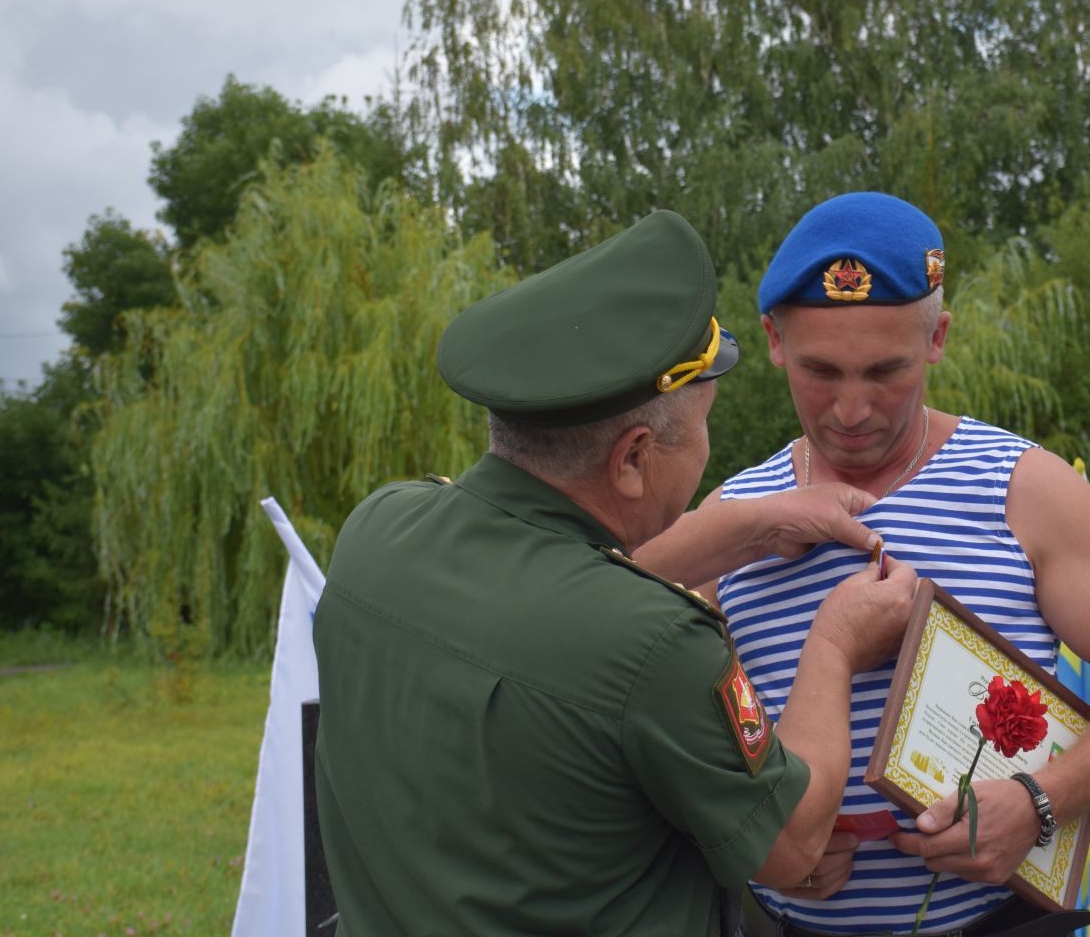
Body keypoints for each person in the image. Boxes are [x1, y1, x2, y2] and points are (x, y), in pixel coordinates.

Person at [312, 209, 921, 936]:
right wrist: (835, 645)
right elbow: (790, 845)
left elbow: (545, 584)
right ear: (633, 458)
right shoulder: (656, 646)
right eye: (701, 425)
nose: (705, 449)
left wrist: (747, 526)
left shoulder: (379, 529)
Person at [638, 192, 1090, 937]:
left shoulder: (1023, 489)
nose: (850, 408)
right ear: (773, 340)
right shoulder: (737, 515)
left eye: (885, 370)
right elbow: (617, 678)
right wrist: (760, 848)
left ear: (937, 337)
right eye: (821, 371)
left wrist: (1039, 800)